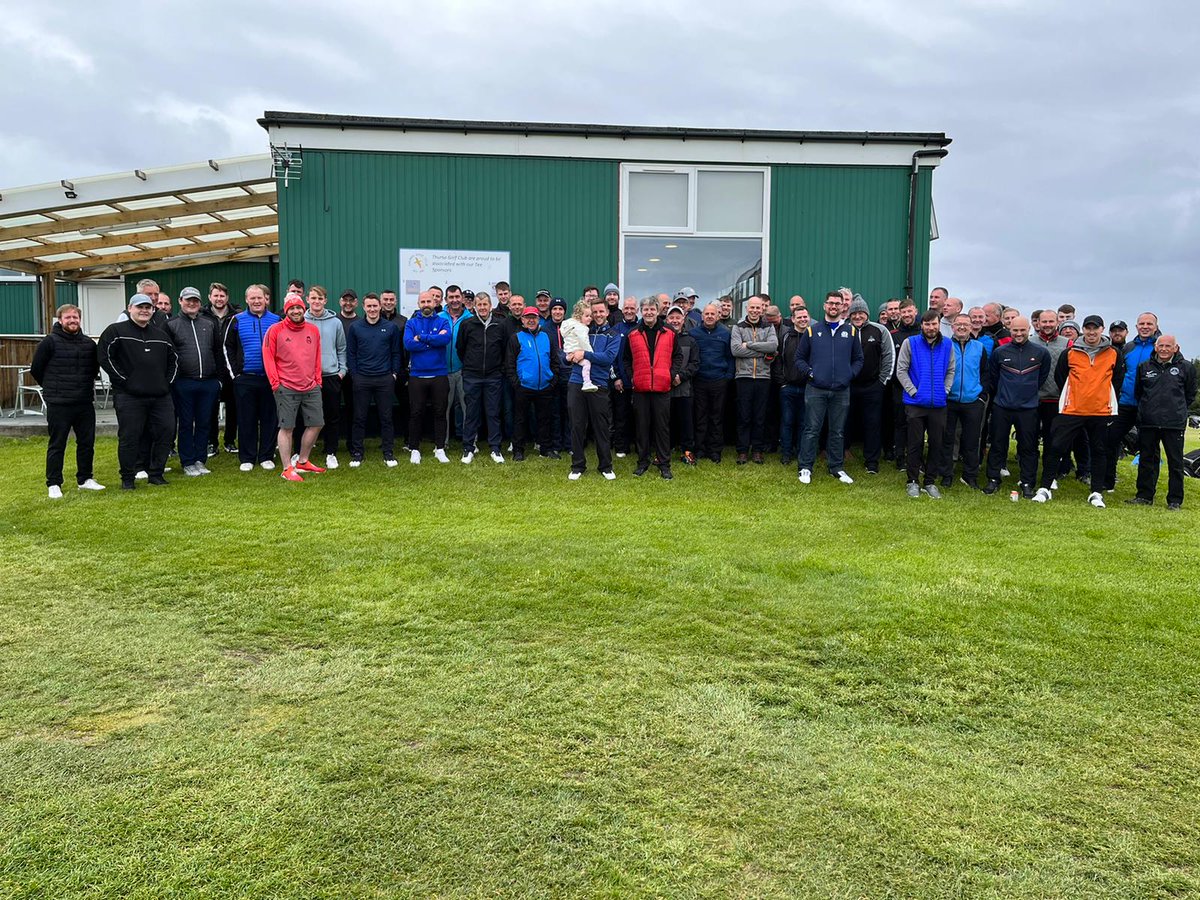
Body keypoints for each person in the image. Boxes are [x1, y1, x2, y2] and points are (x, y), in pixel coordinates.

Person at [1033, 315, 1124, 508]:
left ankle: (1096, 492)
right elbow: (1061, 377)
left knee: (1099, 451)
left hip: (1101, 411)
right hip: (1071, 409)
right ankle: (1045, 488)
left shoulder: (1114, 353)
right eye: (1088, 328)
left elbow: (1116, 381)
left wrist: (1100, 396)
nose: (1092, 332)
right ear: (1084, 329)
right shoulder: (1070, 353)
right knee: (1056, 447)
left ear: (1102, 329)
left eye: (1096, 328)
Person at [98, 293, 178, 489]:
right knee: (130, 437)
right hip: (129, 396)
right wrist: (125, 381)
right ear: (130, 308)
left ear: (153, 310)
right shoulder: (115, 331)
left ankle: (156, 473)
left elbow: (174, 360)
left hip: (160, 396)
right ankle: (127, 478)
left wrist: (167, 383)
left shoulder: (160, 335)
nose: (144, 311)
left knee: (166, 432)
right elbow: (105, 357)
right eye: (140, 307)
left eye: (148, 307)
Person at [31, 303, 104, 497]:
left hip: (84, 402)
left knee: (87, 443)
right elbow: (36, 369)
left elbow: (93, 370)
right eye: (68, 317)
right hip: (59, 403)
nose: (72, 321)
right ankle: (54, 483)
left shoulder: (89, 344)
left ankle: (85, 478)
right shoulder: (49, 342)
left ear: (80, 319)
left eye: (76, 317)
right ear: (60, 320)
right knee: (57, 444)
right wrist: (52, 388)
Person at [795, 291, 864, 485]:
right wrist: (810, 373)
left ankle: (837, 467)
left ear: (843, 307)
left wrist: (849, 375)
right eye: (831, 303)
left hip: (841, 390)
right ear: (825, 306)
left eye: (837, 304)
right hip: (816, 388)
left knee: (838, 431)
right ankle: (805, 467)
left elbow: (858, 359)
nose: (834, 306)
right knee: (811, 429)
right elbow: (799, 358)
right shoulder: (811, 330)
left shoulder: (851, 331)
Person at [1127, 335, 1196, 510]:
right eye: (1161, 346)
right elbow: (1139, 392)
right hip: (1149, 421)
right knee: (1146, 460)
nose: (1164, 349)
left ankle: (1174, 500)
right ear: (1156, 347)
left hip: (1173, 423)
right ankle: (1144, 496)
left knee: (1175, 463)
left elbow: (1189, 394)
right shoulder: (1145, 367)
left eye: (1168, 346)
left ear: (1176, 348)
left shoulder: (1186, 367)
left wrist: (1177, 409)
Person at [983, 316, 1049, 496]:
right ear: (1009, 329)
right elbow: (994, 377)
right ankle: (993, 479)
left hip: (1028, 408)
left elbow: (1041, 378)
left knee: (1029, 447)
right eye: (1015, 330)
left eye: (1022, 330)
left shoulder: (1041, 352)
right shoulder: (1000, 352)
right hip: (1002, 406)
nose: (1018, 334)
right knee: (997, 444)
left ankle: (1027, 482)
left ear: (1029, 329)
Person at [263, 294, 326, 482]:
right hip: (286, 386)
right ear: (286, 310)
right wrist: (275, 383)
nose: (296, 311)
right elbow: (268, 357)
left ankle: (303, 461)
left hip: (310, 386)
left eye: (299, 307)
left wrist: (317, 380)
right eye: (292, 308)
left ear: (303, 309)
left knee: (316, 423)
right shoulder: (275, 330)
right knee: (287, 427)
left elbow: (316, 355)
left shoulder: (313, 330)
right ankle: (286, 468)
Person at [620, 296, 683, 479]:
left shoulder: (669, 332)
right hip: (641, 388)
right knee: (642, 427)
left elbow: (678, 356)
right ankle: (642, 462)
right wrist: (633, 376)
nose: (649, 313)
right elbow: (626, 359)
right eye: (645, 309)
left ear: (657, 311)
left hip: (662, 387)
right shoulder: (633, 334)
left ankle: (664, 464)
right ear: (641, 311)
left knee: (662, 428)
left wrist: (671, 375)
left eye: (652, 309)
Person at [896, 310, 955, 498]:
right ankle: (912, 481)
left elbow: (951, 370)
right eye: (927, 324)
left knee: (937, 443)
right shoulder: (910, 343)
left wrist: (944, 391)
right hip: (915, 404)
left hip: (938, 404)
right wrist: (913, 392)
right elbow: (901, 370)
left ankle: (930, 481)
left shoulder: (947, 344)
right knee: (915, 443)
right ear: (922, 325)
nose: (931, 327)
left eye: (934, 324)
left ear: (939, 324)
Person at [223, 284, 282, 471]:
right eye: (252, 298)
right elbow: (227, 347)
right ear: (247, 299)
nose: (257, 301)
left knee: (269, 418)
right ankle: (247, 458)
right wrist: (235, 375)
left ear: (267, 299)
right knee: (246, 419)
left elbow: (283, 349)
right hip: (245, 378)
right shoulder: (236, 320)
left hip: (270, 379)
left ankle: (266, 455)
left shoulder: (277, 320)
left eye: (260, 298)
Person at [165, 286, 222, 477]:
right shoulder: (172, 324)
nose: (192, 304)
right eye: (188, 300)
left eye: (195, 301)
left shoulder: (209, 323)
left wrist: (218, 380)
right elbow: (168, 355)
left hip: (208, 382)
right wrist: (173, 381)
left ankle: (200, 459)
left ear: (200, 303)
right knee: (186, 423)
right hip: (184, 382)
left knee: (205, 422)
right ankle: (188, 461)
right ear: (180, 301)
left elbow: (217, 351)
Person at [1103, 312, 1160, 493]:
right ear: (1136, 327)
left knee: (1148, 448)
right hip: (1125, 403)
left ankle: (1145, 492)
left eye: (1149, 324)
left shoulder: (1161, 347)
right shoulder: (1128, 347)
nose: (1145, 327)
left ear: (1155, 326)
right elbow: (1119, 374)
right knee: (1110, 441)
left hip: (1149, 405)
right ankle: (1107, 482)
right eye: (1142, 323)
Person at [566, 298, 620, 480]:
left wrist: (585, 354)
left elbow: (608, 358)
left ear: (607, 313)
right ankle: (577, 466)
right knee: (577, 425)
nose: (597, 315)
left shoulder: (613, 335)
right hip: (576, 381)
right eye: (594, 312)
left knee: (601, 427)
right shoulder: (582, 329)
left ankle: (605, 466)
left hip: (599, 384)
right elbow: (568, 350)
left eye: (600, 312)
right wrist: (569, 356)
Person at [347, 293, 402, 467]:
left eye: (374, 306)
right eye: (368, 306)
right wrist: (355, 375)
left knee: (386, 417)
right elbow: (351, 354)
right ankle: (357, 453)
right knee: (359, 417)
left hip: (384, 379)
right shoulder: (355, 328)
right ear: (363, 307)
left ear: (380, 307)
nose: (372, 309)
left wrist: (393, 373)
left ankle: (388, 453)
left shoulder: (390, 327)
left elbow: (396, 352)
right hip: (362, 378)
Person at [938, 314, 988, 489]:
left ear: (971, 327)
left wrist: (981, 395)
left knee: (972, 440)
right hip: (949, 400)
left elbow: (985, 373)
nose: (961, 327)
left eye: (965, 324)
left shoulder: (979, 347)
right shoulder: (944, 345)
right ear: (952, 326)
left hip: (972, 400)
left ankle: (970, 475)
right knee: (947, 439)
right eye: (958, 324)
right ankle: (946, 474)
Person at [456, 291, 506, 464]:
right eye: (479, 304)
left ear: (490, 306)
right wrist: (471, 365)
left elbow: (504, 349)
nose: (483, 308)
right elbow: (460, 348)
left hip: (493, 376)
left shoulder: (500, 325)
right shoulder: (467, 324)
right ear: (475, 306)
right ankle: (468, 448)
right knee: (471, 413)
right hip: (472, 376)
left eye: (485, 304)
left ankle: (495, 448)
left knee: (493, 413)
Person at [846, 297, 895, 474]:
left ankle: (872, 462)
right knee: (844, 422)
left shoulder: (880, 330)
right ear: (850, 315)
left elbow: (889, 356)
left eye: (861, 313)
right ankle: (842, 455)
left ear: (866, 314)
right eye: (854, 313)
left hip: (872, 387)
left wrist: (882, 382)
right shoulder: (844, 330)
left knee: (872, 424)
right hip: (848, 386)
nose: (858, 316)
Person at [506, 305, 560, 460]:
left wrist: (553, 380)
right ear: (522, 320)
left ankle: (545, 449)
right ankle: (518, 450)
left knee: (545, 419)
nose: (531, 320)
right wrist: (516, 383)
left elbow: (555, 361)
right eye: (527, 317)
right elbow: (509, 364)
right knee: (520, 419)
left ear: (539, 319)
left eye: (534, 317)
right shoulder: (516, 338)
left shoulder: (546, 337)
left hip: (545, 386)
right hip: (524, 386)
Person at [405, 290, 453, 464]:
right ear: (418, 304)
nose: (426, 304)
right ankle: (414, 449)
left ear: (435, 303)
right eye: (423, 301)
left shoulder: (442, 321)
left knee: (440, 412)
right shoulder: (411, 323)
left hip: (439, 374)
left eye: (429, 301)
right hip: (417, 376)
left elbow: (445, 340)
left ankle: (439, 448)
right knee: (416, 413)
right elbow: (409, 344)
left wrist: (423, 338)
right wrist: (432, 340)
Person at [729, 295, 778, 464]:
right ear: (747, 308)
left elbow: (773, 346)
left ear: (762, 309)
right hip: (744, 377)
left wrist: (748, 344)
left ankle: (757, 450)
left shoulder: (769, 326)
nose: (755, 310)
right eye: (752, 307)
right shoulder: (738, 327)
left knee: (759, 416)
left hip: (763, 377)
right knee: (744, 416)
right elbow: (735, 350)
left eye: (758, 308)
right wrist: (762, 350)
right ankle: (742, 450)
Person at [304, 286, 348, 468]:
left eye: (320, 298)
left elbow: (341, 348)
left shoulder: (335, 322)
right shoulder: (301, 320)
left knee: (332, 416)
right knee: (305, 417)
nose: (316, 301)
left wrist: (342, 371)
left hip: (330, 375)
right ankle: (302, 453)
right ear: (308, 299)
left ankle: (331, 452)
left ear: (325, 301)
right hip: (307, 378)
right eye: (313, 298)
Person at [688, 302, 734, 464]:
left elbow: (730, 357)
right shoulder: (694, 333)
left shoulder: (725, 333)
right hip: (699, 380)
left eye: (712, 314)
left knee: (717, 417)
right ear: (702, 316)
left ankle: (715, 451)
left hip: (719, 380)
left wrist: (727, 376)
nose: (709, 316)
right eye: (706, 314)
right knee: (700, 416)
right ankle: (700, 449)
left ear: (718, 316)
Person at [1030, 308, 1070, 487]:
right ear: (1038, 323)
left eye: (1050, 321)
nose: (1047, 325)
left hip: (1055, 399)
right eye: (1043, 322)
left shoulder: (1067, 343)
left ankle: (1049, 476)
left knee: (1051, 441)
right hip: (1033, 399)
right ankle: (1028, 475)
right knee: (1029, 440)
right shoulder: (1030, 342)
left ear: (1057, 323)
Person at [202, 281, 240, 455]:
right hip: (211, 368)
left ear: (227, 298)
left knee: (233, 407)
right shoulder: (202, 315)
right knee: (211, 408)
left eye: (222, 295)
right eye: (215, 295)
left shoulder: (236, 315)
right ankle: (212, 442)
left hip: (231, 369)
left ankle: (230, 441)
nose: (219, 299)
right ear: (210, 297)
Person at [776, 305, 810, 466]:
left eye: (805, 317)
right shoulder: (786, 337)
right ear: (793, 319)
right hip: (788, 387)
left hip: (807, 388)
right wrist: (782, 382)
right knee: (787, 422)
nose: (803, 319)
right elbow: (779, 361)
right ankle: (786, 454)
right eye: (800, 317)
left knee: (804, 423)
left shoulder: (813, 336)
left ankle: (801, 452)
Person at [664, 305, 699, 464]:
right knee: (665, 422)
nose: (675, 320)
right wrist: (669, 377)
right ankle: (665, 450)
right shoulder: (662, 338)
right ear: (667, 319)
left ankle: (687, 451)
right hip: (665, 387)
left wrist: (680, 377)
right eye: (672, 317)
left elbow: (695, 364)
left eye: (678, 317)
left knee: (686, 422)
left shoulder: (690, 340)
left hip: (685, 388)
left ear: (683, 319)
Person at [438, 286, 472, 445]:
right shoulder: (438, 317)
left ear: (462, 298)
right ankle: (442, 443)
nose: (454, 300)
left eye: (457, 296)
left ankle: (470, 442)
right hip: (442, 370)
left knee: (468, 408)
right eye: (451, 297)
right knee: (443, 408)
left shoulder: (470, 318)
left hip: (464, 370)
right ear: (446, 300)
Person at [609, 296, 640, 457]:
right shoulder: (616, 329)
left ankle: (639, 446)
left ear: (637, 310)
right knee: (621, 415)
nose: (629, 311)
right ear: (622, 309)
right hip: (621, 381)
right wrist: (616, 378)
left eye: (632, 308)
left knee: (639, 416)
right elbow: (611, 356)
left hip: (639, 381)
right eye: (626, 308)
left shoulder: (641, 327)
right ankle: (621, 446)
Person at [560, 300, 598, 392]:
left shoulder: (567, 324)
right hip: (576, 351)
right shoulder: (582, 328)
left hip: (568, 352)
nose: (590, 318)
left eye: (590, 316)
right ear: (579, 316)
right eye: (587, 316)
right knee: (587, 363)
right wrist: (590, 353)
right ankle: (587, 382)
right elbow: (584, 341)